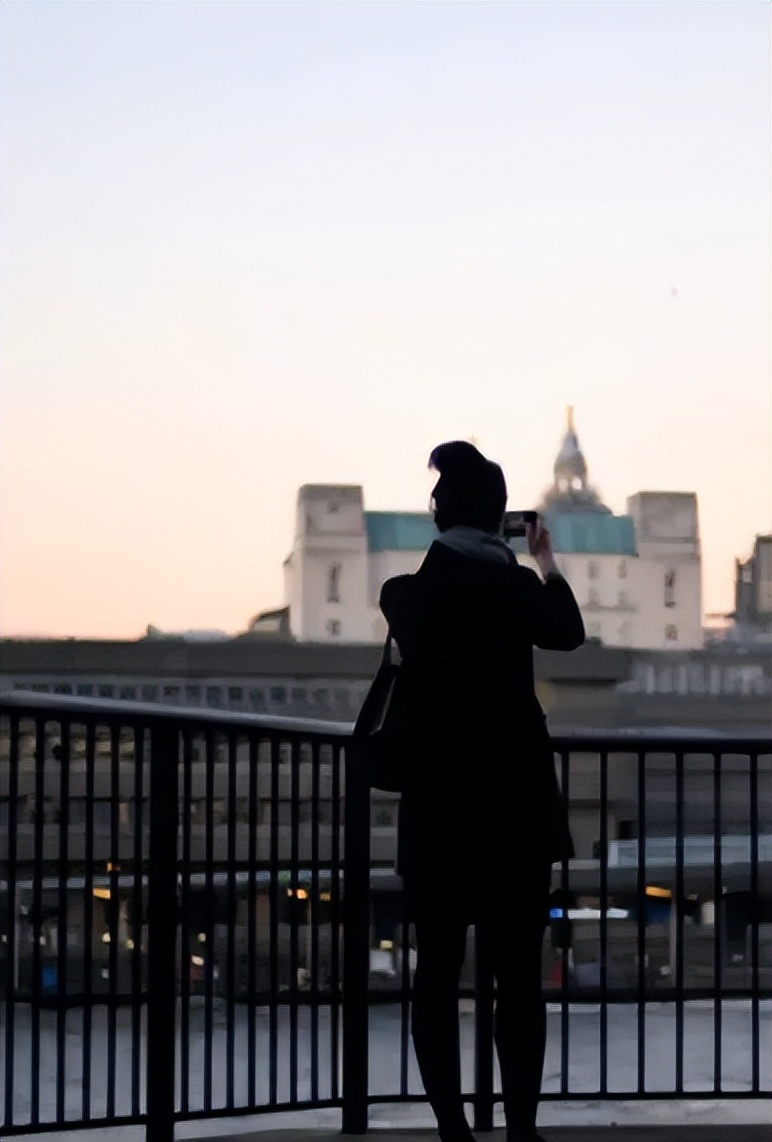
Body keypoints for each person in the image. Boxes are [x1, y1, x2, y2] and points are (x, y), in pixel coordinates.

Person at [379, 441, 584, 1142]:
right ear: (501, 517)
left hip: (438, 813)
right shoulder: (515, 590)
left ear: (439, 513)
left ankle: (453, 1131)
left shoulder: (407, 595)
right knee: (519, 980)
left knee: (435, 975)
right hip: (514, 815)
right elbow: (569, 631)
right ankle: (522, 1130)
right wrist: (543, 560)